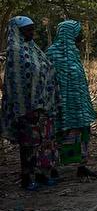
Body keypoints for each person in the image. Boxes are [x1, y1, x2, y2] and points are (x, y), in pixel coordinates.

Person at [2, 16, 60, 190]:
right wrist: (27, 107)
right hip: (26, 108)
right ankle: (27, 177)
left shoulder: (33, 49)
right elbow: (16, 83)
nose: (31, 33)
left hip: (43, 105)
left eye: (32, 29)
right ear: (18, 32)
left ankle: (43, 173)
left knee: (44, 142)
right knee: (29, 144)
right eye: (28, 30)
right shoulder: (15, 52)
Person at [47, 20, 97, 179]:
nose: (80, 37)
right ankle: (53, 168)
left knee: (81, 133)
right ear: (69, 34)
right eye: (78, 34)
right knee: (59, 135)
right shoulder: (51, 53)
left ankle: (81, 167)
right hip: (60, 105)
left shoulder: (74, 52)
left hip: (78, 104)